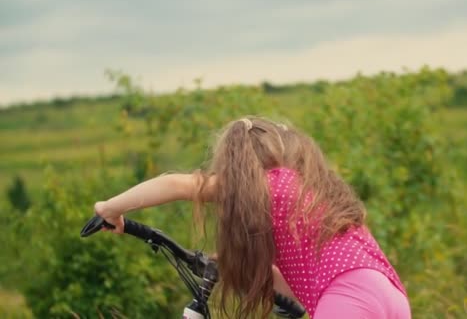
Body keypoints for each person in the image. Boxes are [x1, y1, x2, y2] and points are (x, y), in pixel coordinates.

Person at [94, 116, 411, 318]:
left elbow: (178, 184)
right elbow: (300, 281)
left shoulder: (264, 182)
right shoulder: (311, 193)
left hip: (348, 300)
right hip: (391, 297)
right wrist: (236, 265)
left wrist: (112, 209)